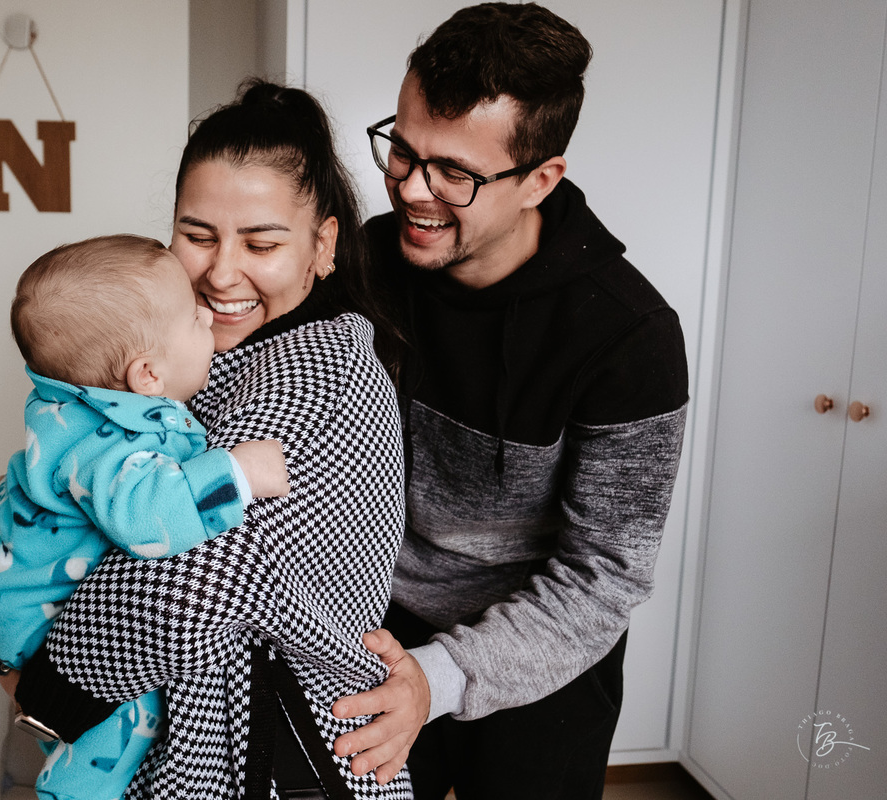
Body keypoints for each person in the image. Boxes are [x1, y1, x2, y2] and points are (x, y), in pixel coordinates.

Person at [0, 82, 412, 800]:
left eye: (261, 242)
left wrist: (47, 692)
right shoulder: (204, 356)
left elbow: (194, 573)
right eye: (197, 236)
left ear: (324, 246)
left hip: (281, 757)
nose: (221, 273)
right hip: (214, 747)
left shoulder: (315, 367)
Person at [331, 4, 690, 799]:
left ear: (540, 180)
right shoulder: (362, 267)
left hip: (543, 643)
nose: (413, 191)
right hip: (373, 622)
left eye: (454, 172)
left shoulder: (629, 335)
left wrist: (441, 676)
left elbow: (604, 576)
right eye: (403, 150)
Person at [0, 234, 289, 800]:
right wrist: (237, 473)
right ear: (147, 376)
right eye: (194, 319)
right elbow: (147, 521)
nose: (209, 318)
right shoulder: (111, 444)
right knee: (118, 722)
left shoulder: (83, 404)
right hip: (32, 611)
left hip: (17, 576)